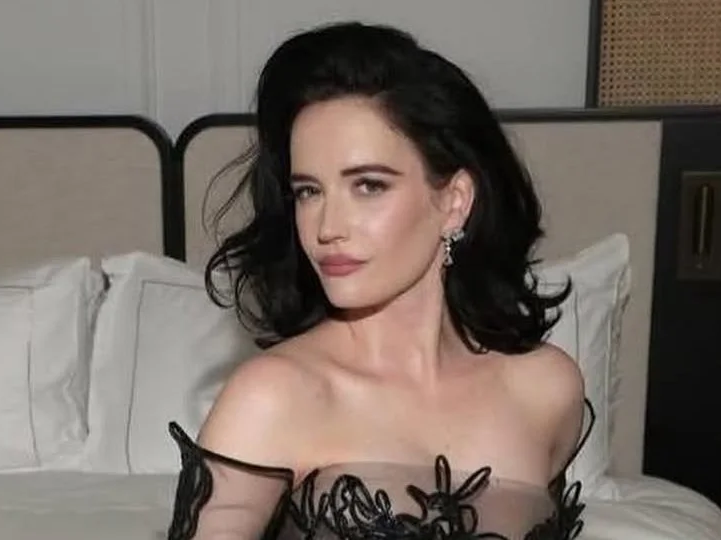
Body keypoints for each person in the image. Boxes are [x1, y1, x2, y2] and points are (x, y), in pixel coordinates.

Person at [165, 22, 594, 540]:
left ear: (454, 202)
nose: (327, 227)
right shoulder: (272, 398)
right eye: (308, 192)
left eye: (368, 186)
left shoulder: (546, 389)